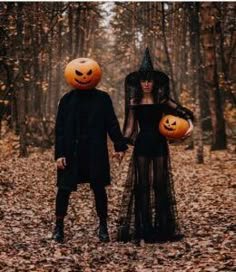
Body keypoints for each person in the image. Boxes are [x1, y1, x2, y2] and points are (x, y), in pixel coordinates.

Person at [117, 48, 194, 244]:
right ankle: (144, 229)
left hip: (159, 144)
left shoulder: (162, 100)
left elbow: (183, 114)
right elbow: (129, 127)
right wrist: (122, 145)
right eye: (144, 80)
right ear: (140, 83)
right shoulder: (135, 101)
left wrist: (186, 126)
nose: (147, 84)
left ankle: (163, 228)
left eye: (150, 80)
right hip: (142, 144)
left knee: (159, 185)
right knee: (143, 186)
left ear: (154, 82)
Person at [53, 58, 127, 243]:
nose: (84, 77)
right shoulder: (67, 100)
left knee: (99, 189)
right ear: (71, 75)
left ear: (95, 75)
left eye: (88, 73)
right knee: (63, 189)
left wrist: (119, 145)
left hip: (95, 152)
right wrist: (59, 154)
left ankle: (103, 228)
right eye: (79, 73)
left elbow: (112, 123)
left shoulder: (103, 99)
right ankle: (58, 227)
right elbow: (60, 129)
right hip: (71, 153)